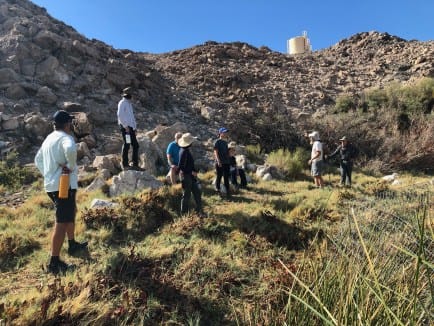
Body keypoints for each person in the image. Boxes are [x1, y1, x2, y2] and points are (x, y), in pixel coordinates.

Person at [34, 110, 88, 274]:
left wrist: (49, 173)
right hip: (63, 186)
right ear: (66, 124)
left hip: (52, 185)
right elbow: (71, 149)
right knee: (62, 221)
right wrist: (70, 167)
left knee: (70, 212)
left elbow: (37, 160)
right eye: (70, 123)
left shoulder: (49, 138)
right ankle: (54, 263)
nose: (72, 125)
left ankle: (72, 244)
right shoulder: (66, 138)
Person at [178, 133, 203, 216]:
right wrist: (191, 172)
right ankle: (184, 214)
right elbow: (181, 167)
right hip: (186, 176)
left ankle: (198, 211)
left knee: (197, 192)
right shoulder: (184, 152)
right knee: (186, 195)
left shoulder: (185, 150)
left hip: (190, 176)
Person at [117, 87, 139, 170]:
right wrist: (125, 126)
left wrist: (134, 127)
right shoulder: (122, 103)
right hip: (126, 128)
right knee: (127, 144)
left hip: (130, 128)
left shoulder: (129, 104)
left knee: (135, 145)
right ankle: (125, 164)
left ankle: (134, 164)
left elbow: (131, 117)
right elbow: (120, 115)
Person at [214, 127, 231, 198]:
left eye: (226, 132)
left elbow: (227, 153)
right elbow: (215, 152)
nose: (225, 133)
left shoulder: (225, 142)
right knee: (219, 176)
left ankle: (227, 190)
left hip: (226, 162)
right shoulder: (217, 142)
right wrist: (218, 161)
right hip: (220, 162)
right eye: (224, 132)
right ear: (220, 133)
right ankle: (217, 190)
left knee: (226, 177)